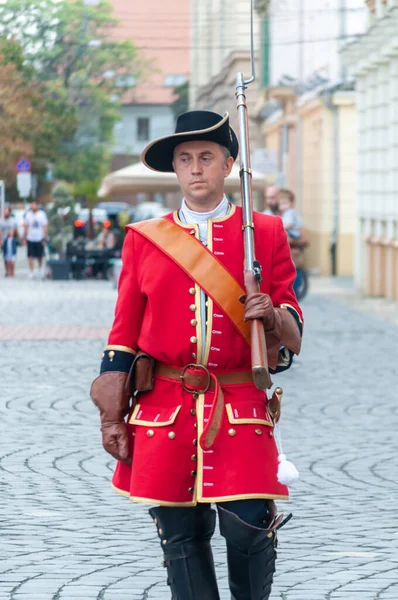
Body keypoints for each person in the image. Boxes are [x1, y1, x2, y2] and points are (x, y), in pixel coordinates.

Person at [90, 110, 303, 600]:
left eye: (206, 157)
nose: (195, 168)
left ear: (227, 164)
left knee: (250, 530)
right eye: (185, 160)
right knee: (180, 537)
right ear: (176, 170)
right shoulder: (144, 240)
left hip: (240, 402)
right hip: (166, 405)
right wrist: (111, 416)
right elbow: (123, 333)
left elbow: (293, 325)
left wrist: (271, 315)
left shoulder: (265, 231)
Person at [23, 200, 48, 279]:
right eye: (32, 205)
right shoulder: (28, 215)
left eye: (34, 205)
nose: (33, 206)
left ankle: (40, 269)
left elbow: (44, 226)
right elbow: (26, 226)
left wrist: (44, 237)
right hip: (30, 238)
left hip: (39, 238)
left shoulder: (41, 214)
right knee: (30, 256)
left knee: (39, 256)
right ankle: (31, 271)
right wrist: (25, 237)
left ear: (37, 206)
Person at [0, 206, 17, 275]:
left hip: (12, 240)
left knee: (12, 256)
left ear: (9, 212)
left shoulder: (13, 221)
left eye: (6, 212)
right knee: (5, 256)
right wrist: (0, 240)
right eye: (4, 212)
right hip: (4, 240)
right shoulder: (1, 221)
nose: (5, 213)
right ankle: (7, 271)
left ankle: (12, 271)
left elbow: (16, 231)